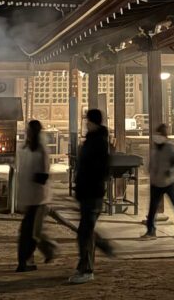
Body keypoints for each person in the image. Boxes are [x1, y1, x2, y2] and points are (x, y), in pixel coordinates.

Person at [69, 108, 110, 285]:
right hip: (87, 192)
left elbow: (99, 169)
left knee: (85, 233)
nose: (86, 123)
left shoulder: (98, 142)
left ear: (93, 122)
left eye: (88, 120)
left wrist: (88, 185)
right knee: (85, 232)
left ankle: (86, 269)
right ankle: (84, 266)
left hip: (92, 193)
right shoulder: (92, 140)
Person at [16, 120, 58, 272]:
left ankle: (26, 260)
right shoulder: (25, 148)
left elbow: (43, 175)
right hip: (30, 196)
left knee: (31, 232)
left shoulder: (40, 150)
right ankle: (45, 251)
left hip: (38, 198)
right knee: (31, 231)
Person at [142, 124, 174, 238]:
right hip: (155, 182)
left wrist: (171, 171)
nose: (157, 137)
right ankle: (150, 230)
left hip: (168, 182)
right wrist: (149, 170)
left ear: (164, 135)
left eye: (160, 134)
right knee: (152, 208)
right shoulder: (155, 148)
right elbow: (151, 163)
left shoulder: (171, 148)